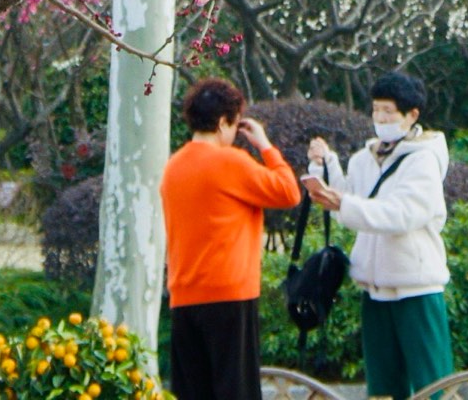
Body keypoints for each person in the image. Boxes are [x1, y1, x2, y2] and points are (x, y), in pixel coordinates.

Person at [303, 70, 451, 400]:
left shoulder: (424, 161)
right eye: (376, 110)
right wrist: (324, 166)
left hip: (416, 289)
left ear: (412, 115)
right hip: (374, 288)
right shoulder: (363, 159)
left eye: (388, 111)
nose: (380, 118)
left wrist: (345, 202)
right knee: (382, 389)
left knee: (433, 386)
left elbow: (401, 214)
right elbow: (350, 204)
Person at [160, 78, 300, 400]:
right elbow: (288, 191)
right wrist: (264, 145)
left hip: (184, 296)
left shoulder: (173, 167)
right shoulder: (230, 162)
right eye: (235, 125)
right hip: (229, 296)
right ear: (224, 121)